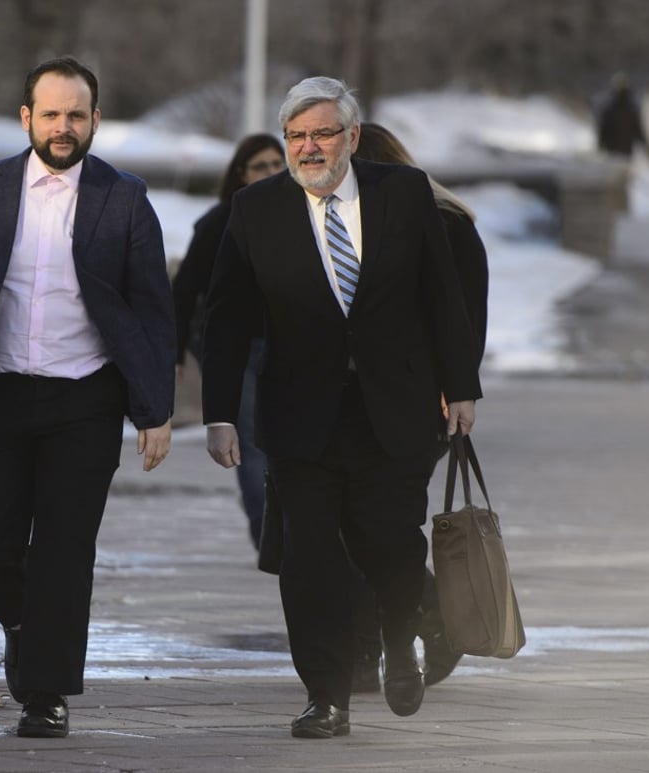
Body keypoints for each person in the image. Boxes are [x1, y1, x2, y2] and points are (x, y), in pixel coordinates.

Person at [0, 56, 175, 740]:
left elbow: (152, 310)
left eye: (76, 115)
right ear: (26, 118)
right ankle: (27, 623)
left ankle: (46, 690)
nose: (63, 127)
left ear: (95, 120)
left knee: (64, 548)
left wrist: (154, 408)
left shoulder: (124, 197)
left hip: (83, 399)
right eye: (50, 114)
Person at [201, 76, 481, 739]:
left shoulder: (404, 196)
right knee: (308, 559)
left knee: (390, 539)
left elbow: (442, 297)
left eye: (323, 133)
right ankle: (325, 695)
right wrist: (219, 412)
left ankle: (402, 635)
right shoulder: (257, 210)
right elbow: (227, 318)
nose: (309, 147)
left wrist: (461, 385)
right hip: (300, 415)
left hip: (395, 408)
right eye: (296, 136)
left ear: (352, 137)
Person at [346, 121, 490, 690]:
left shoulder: (445, 223)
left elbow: (463, 322)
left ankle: (423, 622)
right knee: (357, 523)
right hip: (371, 399)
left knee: (375, 523)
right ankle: (397, 632)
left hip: (416, 402)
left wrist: (453, 391)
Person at [172, 134, 286, 547]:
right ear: (241, 173)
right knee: (252, 445)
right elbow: (185, 290)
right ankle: (268, 536)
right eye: (261, 166)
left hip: (289, 348)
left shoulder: (297, 215)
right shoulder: (220, 221)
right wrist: (177, 349)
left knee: (287, 441)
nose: (272, 173)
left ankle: (290, 531)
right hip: (238, 350)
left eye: (278, 164)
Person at [596, 72, 649, 159]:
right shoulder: (630, 109)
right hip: (622, 153)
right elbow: (638, 131)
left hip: (615, 153)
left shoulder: (610, 108)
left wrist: (600, 146)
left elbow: (602, 131)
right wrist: (647, 147)